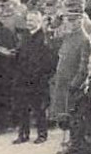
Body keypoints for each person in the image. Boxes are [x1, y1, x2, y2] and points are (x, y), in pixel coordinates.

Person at [11, 10, 57, 145]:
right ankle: (23, 134)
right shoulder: (24, 36)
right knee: (22, 107)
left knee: (39, 108)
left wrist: (43, 76)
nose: (29, 23)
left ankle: (42, 134)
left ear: (39, 22)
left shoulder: (44, 38)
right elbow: (20, 54)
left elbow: (49, 61)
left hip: (38, 80)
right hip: (23, 78)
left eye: (32, 20)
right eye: (28, 20)